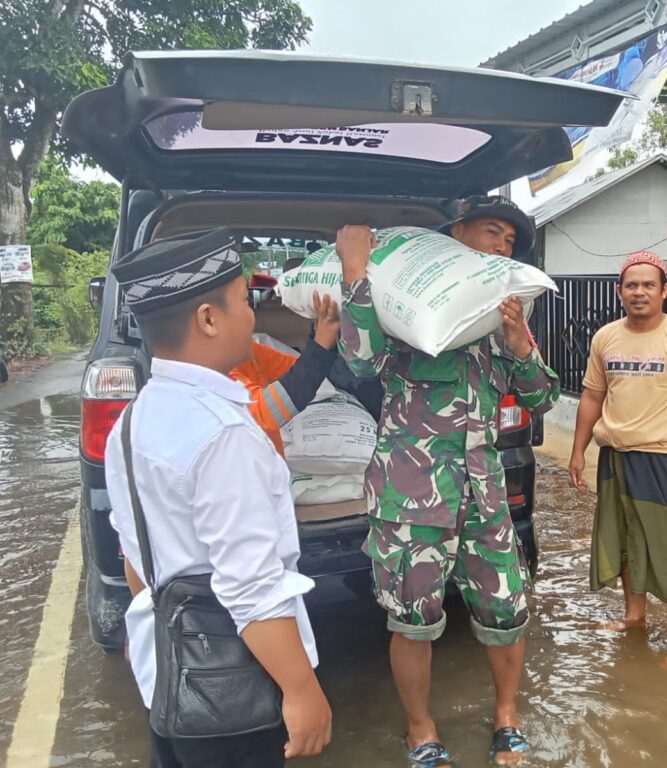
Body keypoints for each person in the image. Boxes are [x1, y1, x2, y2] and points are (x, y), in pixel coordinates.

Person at [334, 196, 558, 767]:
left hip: (483, 494)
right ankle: (421, 729)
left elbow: (543, 398)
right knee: (414, 621)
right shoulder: (405, 306)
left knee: (508, 609)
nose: (501, 248)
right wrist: (357, 274)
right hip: (411, 495)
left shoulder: (493, 324)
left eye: (510, 243)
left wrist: (521, 345)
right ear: (456, 234)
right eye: (492, 234)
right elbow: (360, 362)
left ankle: (507, 719)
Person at [103, 229, 332, 767]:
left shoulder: (132, 421)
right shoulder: (225, 434)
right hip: (234, 691)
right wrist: (301, 690)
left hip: (170, 680)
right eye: (244, 302)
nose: (253, 316)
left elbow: (136, 560)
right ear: (208, 319)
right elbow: (252, 586)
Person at [568, 250, 667, 670]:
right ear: (619, 292)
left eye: (649, 284)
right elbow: (593, 396)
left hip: (662, 459)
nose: (639, 292)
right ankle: (634, 618)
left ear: (664, 290)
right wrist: (578, 449)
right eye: (631, 285)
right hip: (614, 457)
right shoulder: (606, 337)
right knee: (626, 539)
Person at [230, 289, 384, 453]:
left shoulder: (246, 352)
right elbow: (266, 413)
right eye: (246, 302)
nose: (253, 312)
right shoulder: (213, 382)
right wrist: (319, 348)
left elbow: (298, 371)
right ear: (209, 319)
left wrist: (322, 338)